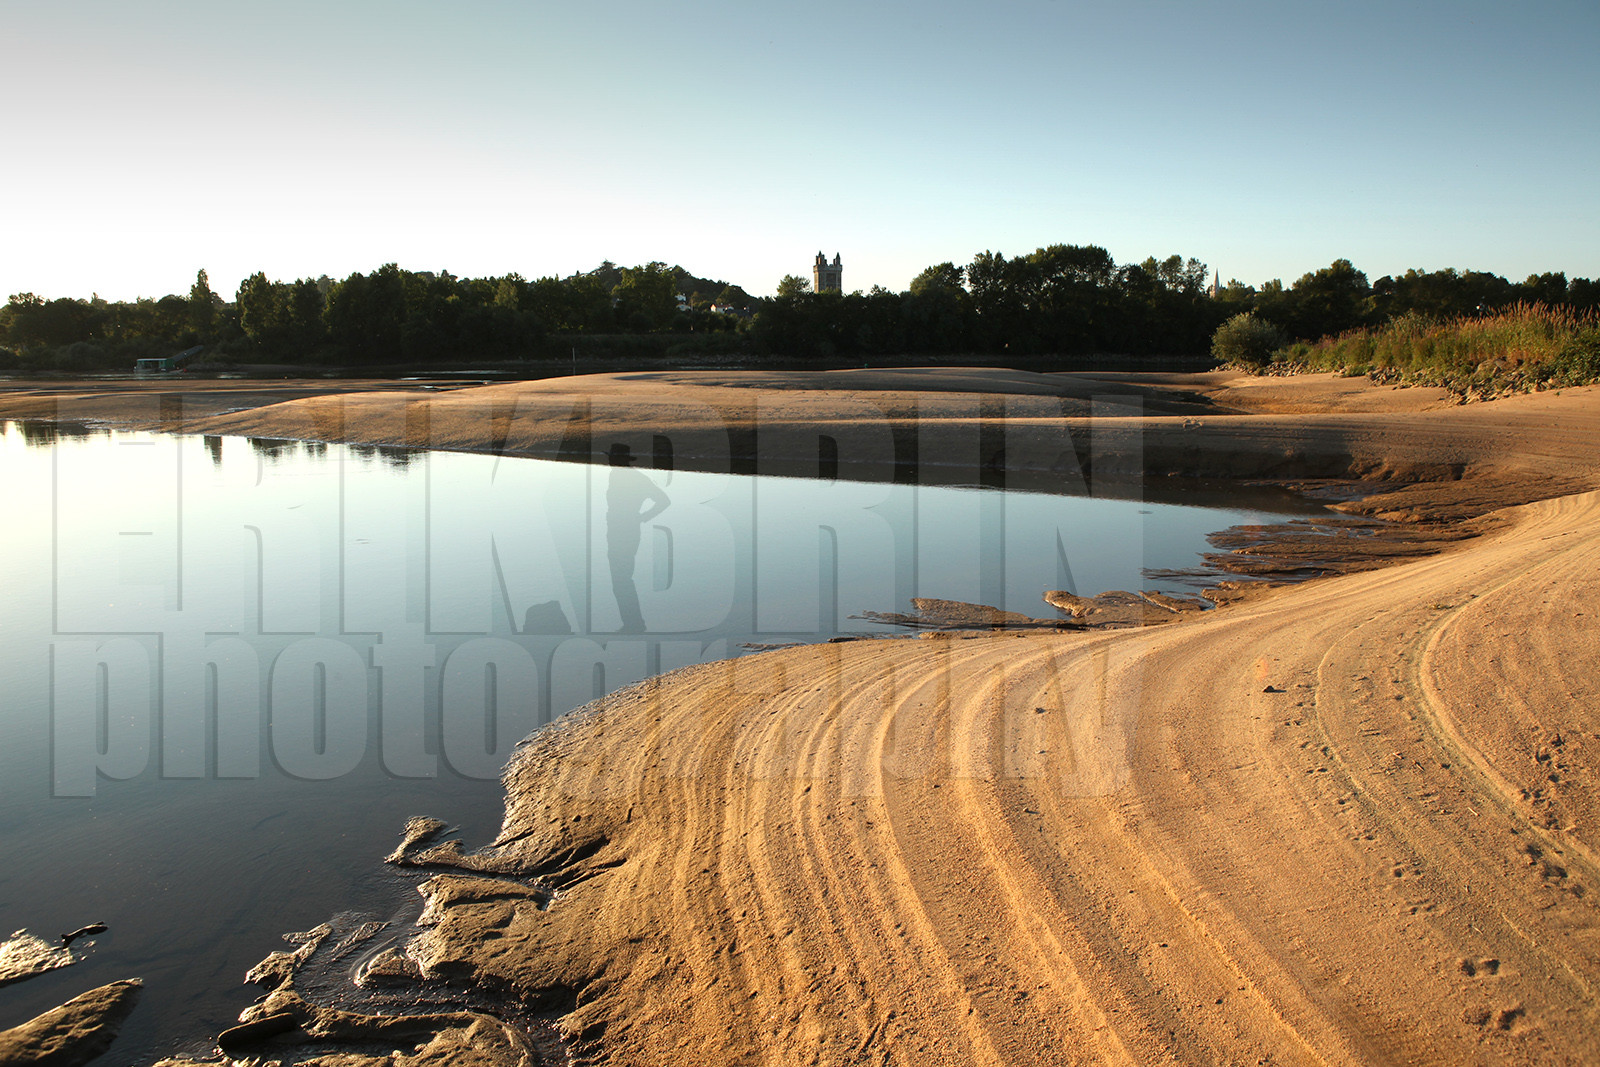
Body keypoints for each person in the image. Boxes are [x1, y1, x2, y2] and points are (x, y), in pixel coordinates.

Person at [604, 443, 670, 633]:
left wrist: (643, 517)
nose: (609, 461)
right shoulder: (616, 475)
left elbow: (664, 500)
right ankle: (632, 622)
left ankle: (634, 624)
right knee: (620, 579)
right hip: (617, 530)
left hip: (625, 531)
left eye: (612, 458)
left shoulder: (636, 479)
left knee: (621, 578)